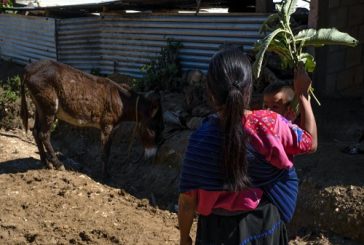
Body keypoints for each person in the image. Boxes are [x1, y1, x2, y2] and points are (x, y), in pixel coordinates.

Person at [178, 48, 317, 245]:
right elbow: (310, 143)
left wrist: (184, 238)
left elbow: (186, 201)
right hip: (263, 228)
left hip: (214, 232)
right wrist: (302, 95)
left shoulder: (200, 139)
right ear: (248, 88)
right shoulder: (272, 124)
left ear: (210, 92)